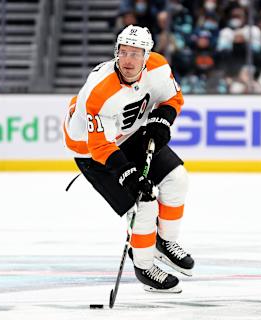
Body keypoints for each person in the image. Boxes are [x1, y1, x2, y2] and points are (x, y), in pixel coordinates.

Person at [63, 25, 194, 293]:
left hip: (129, 133)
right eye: (123, 53)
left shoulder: (157, 68)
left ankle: (164, 242)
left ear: (147, 56)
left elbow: (172, 97)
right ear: (116, 53)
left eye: (136, 53)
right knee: (144, 202)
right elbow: (100, 145)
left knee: (177, 179)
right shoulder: (99, 91)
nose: (128, 60)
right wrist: (130, 176)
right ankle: (144, 266)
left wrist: (162, 121)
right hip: (90, 150)